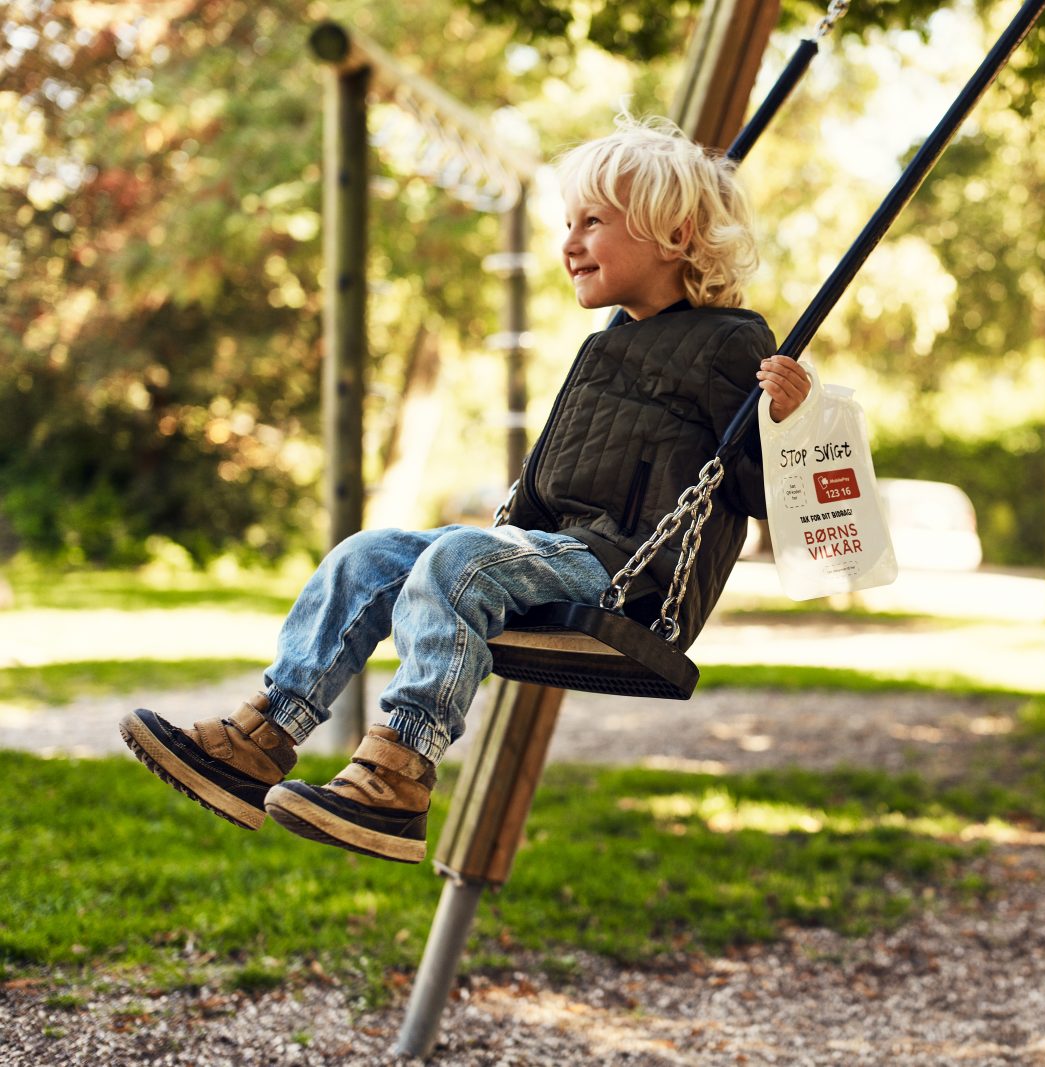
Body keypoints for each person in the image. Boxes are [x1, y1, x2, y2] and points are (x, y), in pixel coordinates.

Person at [119, 116, 811, 864]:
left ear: (673, 234)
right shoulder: (609, 341)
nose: (568, 241)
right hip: (563, 548)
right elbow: (559, 471)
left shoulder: (732, 341)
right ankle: (260, 737)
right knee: (368, 554)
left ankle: (398, 774)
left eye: (592, 222)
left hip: (627, 574)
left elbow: (758, 492)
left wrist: (786, 418)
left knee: (463, 560)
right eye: (566, 222)